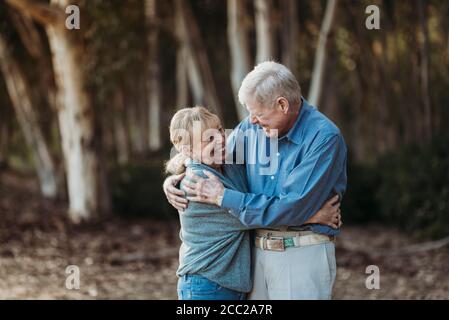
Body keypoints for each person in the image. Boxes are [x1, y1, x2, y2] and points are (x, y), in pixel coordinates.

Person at [164, 61, 347, 300]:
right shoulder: (251, 130)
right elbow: (204, 157)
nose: (250, 121)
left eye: (257, 113)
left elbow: (293, 205)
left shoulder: (323, 138)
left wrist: (223, 197)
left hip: (300, 252)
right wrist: (173, 180)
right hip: (255, 257)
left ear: (282, 104)